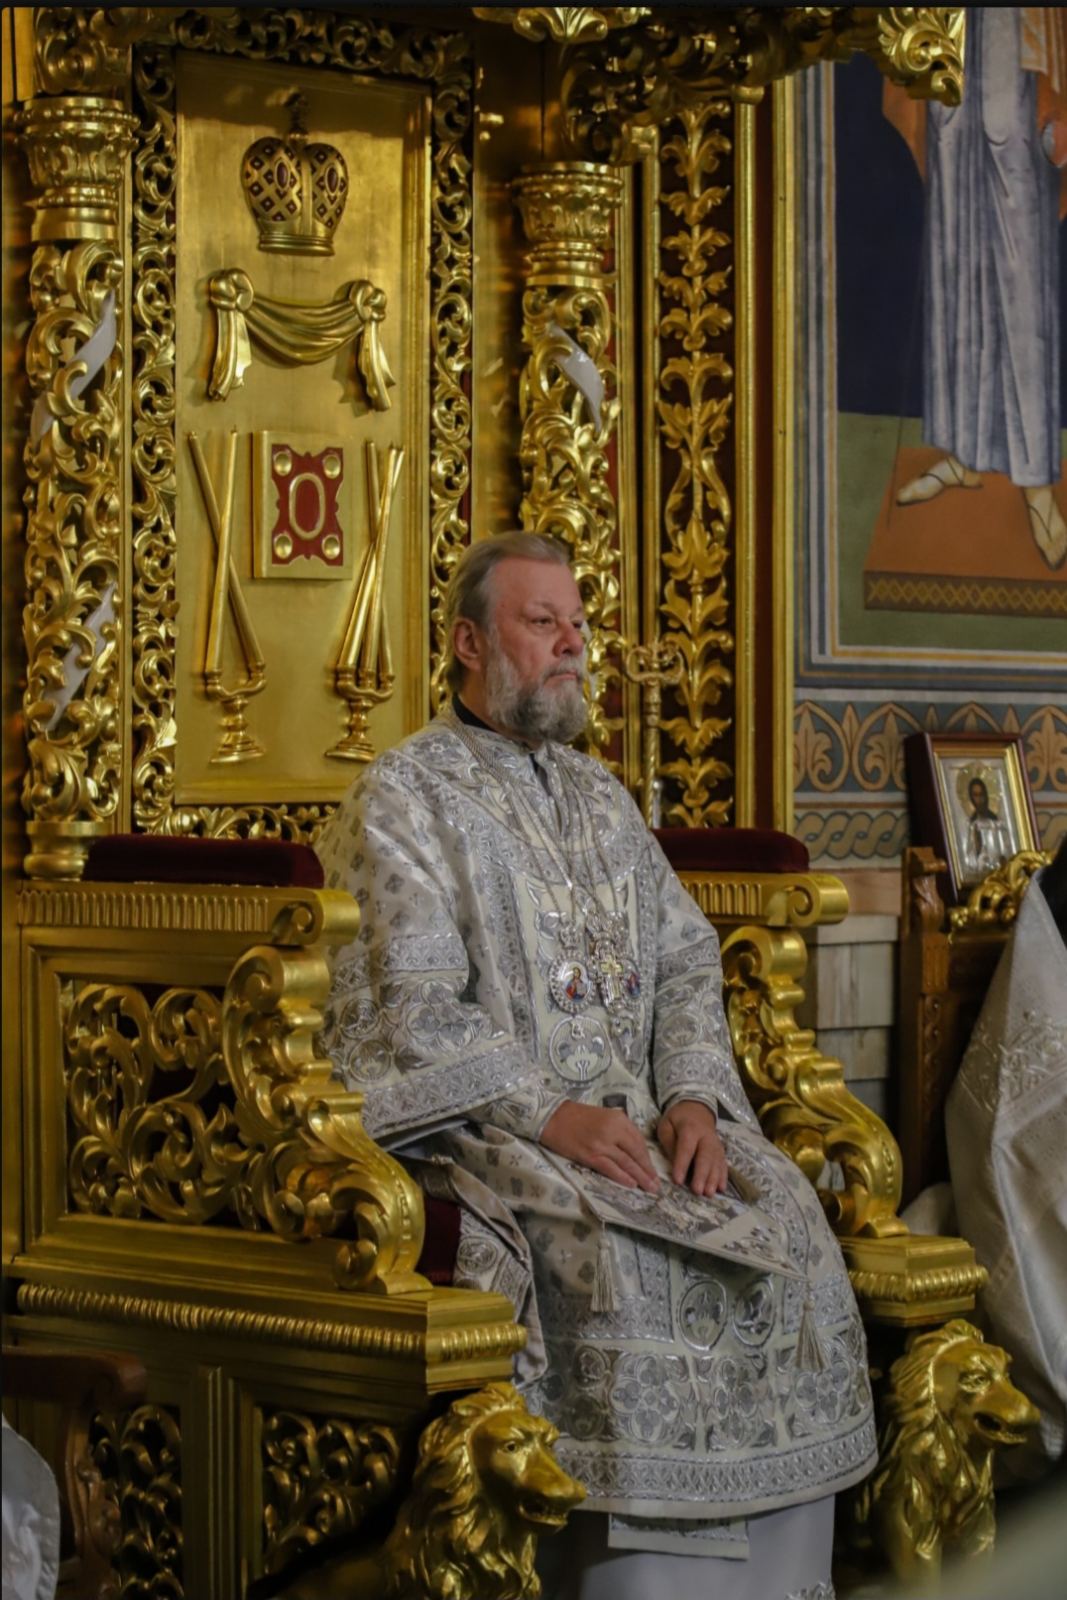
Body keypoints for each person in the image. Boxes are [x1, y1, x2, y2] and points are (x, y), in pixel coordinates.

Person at [316, 533, 876, 1600]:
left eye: (576, 624)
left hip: (648, 1121)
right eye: (543, 623)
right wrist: (549, 1114)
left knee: (789, 1215)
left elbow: (683, 959)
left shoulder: (601, 796)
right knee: (619, 1256)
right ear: (469, 643)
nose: (573, 643)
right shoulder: (403, 796)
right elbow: (407, 1006)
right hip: (498, 1128)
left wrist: (695, 1097)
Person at [887, 7, 1067, 569]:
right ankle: (963, 449)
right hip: (949, 29)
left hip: (1016, 31)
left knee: (1021, 259)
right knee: (954, 244)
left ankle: (1036, 479)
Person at [962, 775, 1014, 881]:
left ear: (986, 795)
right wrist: (977, 847)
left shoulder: (998, 823)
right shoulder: (971, 825)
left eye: (981, 794)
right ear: (971, 798)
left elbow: (1007, 851)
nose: (979, 799)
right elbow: (969, 858)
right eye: (975, 795)